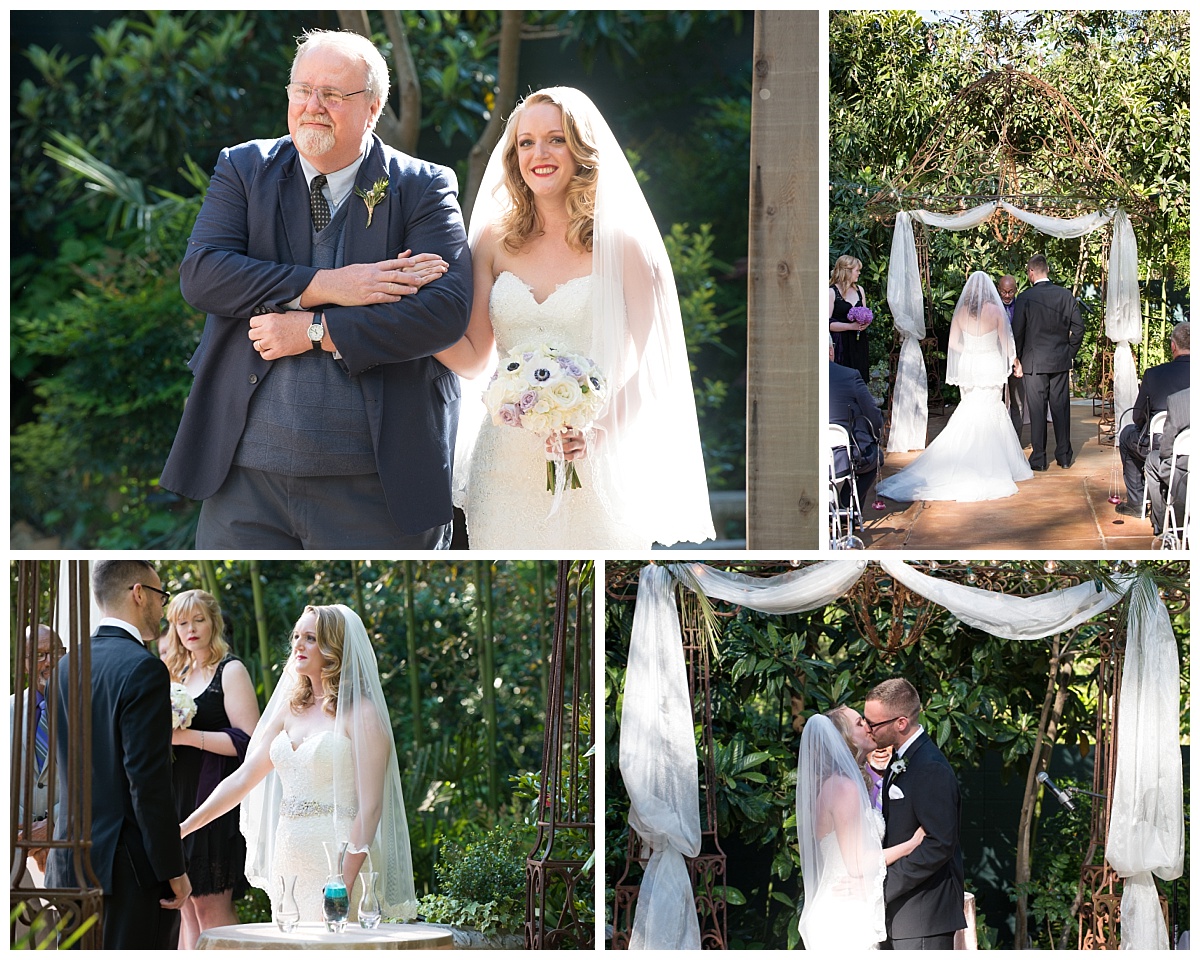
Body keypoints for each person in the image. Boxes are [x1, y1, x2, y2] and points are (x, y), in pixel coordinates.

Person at [159, 29, 472, 549]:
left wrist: (313, 330)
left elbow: (444, 312)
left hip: (377, 484)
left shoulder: (422, 186)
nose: (313, 107)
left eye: (333, 94)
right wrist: (329, 284)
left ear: (373, 109)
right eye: (303, 90)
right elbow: (203, 274)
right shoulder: (245, 168)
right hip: (244, 480)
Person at [439, 86, 714, 548]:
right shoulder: (491, 240)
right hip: (502, 469)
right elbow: (472, 359)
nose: (538, 154)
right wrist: (403, 323)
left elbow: (653, 368)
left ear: (581, 149)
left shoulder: (623, 246)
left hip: (590, 459)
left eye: (555, 139)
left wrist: (596, 433)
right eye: (526, 142)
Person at [181, 605, 417, 924]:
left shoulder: (362, 714)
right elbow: (241, 780)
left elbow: (371, 809)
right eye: (296, 636)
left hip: (339, 860)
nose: (298, 645)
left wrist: (341, 886)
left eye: (310, 637)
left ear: (334, 647)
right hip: (289, 861)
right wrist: (183, 828)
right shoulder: (289, 710)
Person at [45, 561, 191, 949]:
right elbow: (147, 782)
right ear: (139, 592)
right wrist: (173, 868)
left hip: (68, 863)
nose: (163, 609)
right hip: (128, 870)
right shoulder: (144, 668)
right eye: (161, 596)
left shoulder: (64, 666)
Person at [877, 272, 1032, 502]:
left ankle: (962, 460)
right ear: (990, 292)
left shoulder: (960, 313)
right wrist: (1013, 362)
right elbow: (1006, 342)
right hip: (989, 366)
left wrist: (971, 350)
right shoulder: (996, 311)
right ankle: (994, 464)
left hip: (970, 367)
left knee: (970, 410)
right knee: (991, 411)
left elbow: (954, 346)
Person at [163, 590, 260, 949]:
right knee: (184, 907)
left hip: (214, 798)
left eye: (198, 620)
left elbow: (250, 741)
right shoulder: (175, 671)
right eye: (182, 622)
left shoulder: (230, 670)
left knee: (209, 905)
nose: (191, 629)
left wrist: (186, 737)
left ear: (213, 622)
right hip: (176, 796)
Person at [796, 707, 926, 950]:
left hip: (843, 904)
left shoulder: (835, 784)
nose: (868, 726)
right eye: (859, 724)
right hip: (844, 913)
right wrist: (912, 844)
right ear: (843, 738)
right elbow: (857, 864)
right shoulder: (844, 788)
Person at [864, 679, 966, 950]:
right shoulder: (903, 760)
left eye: (874, 724)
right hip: (900, 914)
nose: (868, 729)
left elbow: (939, 843)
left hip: (923, 913)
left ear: (900, 723)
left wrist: (885, 888)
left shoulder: (930, 767)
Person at [1012, 254, 1084, 471]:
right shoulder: (1065, 295)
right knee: (1061, 409)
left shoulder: (1025, 298)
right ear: (1048, 271)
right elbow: (1079, 328)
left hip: (1033, 364)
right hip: (1060, 362)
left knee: (1037, 411)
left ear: (1031, 272)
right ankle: (1064, 457)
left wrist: (1018, 359)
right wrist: (1068, 352)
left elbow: (1018, 333)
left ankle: (1039, 459)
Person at [1115, 322, 1190, 517]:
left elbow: (1137, 416)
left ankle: (1137, 501)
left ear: (1173, 346)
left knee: (1126, 435)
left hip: (1162, 447)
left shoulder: (1154, 374)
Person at [829, 335, 883, 508]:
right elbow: (872, 414)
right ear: (831, 351)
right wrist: (876, 433)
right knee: (875, 457)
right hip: (840, 458)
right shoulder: (850, 376)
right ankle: (846, 507)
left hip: (805, 457)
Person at [1145, 387, 1189, 536]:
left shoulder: (1178, 399)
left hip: (1185, 473)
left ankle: (1162, 523)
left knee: (1152, 460)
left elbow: (1166, 449)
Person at [829, 255, 872, 383]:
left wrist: (865, 323)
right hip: (841, 343)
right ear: (847, 271)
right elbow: (826, 323)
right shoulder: (832, 292)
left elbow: (866, 314)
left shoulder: (860, 290)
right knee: (842, 381)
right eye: (857, 270)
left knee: (859, 381)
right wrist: (850, 326)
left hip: (859, 342)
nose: (859, 273)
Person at [996, 274, 1026, 441]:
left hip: (1018, 362)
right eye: (1004, 292)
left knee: (1018, 403)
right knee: (996, 402)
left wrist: (1019, 359)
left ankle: (1016, 442)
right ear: (999, 290)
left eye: (1011, 292)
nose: (1007, 296)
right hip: (996, 362)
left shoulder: (1022, 305)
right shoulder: (991, 307)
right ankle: (998, 441)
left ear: (1016, 290)